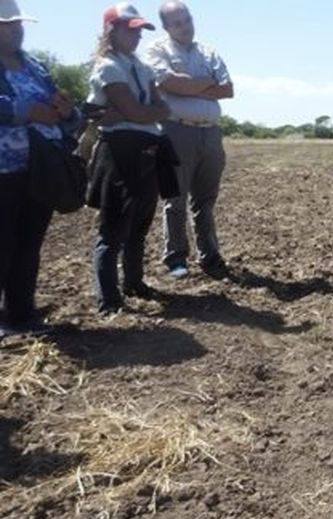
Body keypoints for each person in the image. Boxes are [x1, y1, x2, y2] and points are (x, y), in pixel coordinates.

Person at [88, 2, 177, 315]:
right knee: (113, 228)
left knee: (139, 223)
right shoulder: (108, 66)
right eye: (131, 30)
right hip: (119, 150)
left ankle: (134, 283)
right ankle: (109, 300)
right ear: (112, 30)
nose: (138, 36)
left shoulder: (140, 66)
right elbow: (139, 111)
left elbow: (158, 108)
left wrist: (139, 114)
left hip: (147, 147)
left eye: (140, 31)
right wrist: (143, 114)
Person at [0, 0, 80, 338]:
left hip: (39, 169)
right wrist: (28, 111)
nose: (17, 29)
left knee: (28, 243)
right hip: (4, 171)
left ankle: (21, 314)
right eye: (8, 24)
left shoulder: (35, 66)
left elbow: (66, 112)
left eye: (19, 23)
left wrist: (66, 112)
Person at [146, 1, 232, 280]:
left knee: (205, 200)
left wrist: (188, 86)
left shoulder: (208, 51)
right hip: (175, 130)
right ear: (166, 27)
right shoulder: (157, 50)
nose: (185, 27)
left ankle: (210, 256)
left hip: (210, 132)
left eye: (187, 20)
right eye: (177, 23)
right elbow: (169, 83)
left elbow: (228, 89)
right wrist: (207, 84)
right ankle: (176, 258)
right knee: (175, 199)